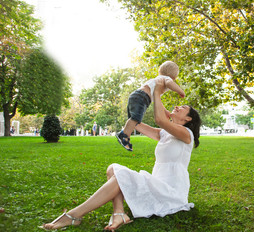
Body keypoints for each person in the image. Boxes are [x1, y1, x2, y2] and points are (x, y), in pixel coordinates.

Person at [39, 78, 201, 231]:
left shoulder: (186, 134)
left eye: (183, 108)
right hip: (156, 183)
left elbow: (160, 119)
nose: (178, 107)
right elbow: (136, 122)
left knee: (119, 177)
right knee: (113, 169)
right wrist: (140, 101)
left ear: (188, 118)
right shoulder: (164, 134)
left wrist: (158, 91)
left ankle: (74, 215)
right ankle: (118, 213)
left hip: (170, 191)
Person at [116, 61, 185, 151]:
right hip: (142, 97)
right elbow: (170, 83)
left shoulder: (157, 79)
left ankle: (125, 135)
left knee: (134, 120)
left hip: (136, 95)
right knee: (135, 119)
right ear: (174, 77)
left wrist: (165, 111)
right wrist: (180, 91)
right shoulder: (166, 79)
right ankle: (124, 135)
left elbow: (157, 100)